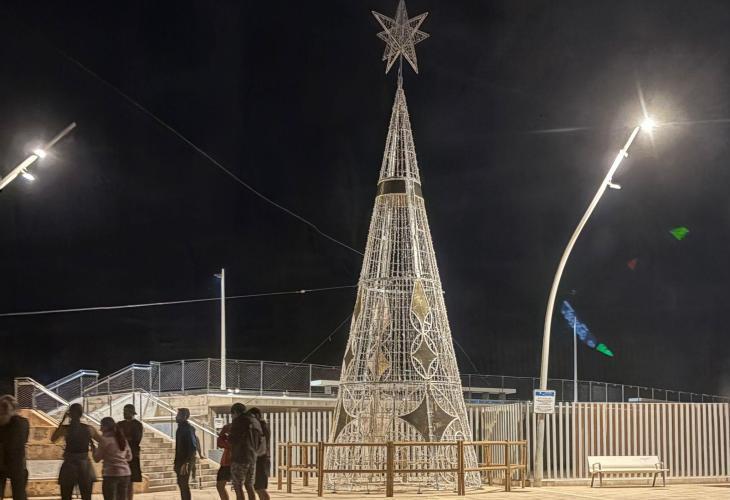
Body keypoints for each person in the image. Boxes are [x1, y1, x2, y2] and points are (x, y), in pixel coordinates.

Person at [51, 403, 101, 500]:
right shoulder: (89, 429)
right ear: (81, 414)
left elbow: (53, 439)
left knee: (66, 496)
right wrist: (94, 449)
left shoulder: (65, 429)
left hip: (69, 464)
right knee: (86, 496)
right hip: (84, 465)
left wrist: (62, 420)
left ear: (70, 414)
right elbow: (101, 441)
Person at [228, 404, 262, 500]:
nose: (232, 417)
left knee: (238, 486)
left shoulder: (238, 421)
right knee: (249, 485)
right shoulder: (255, 421)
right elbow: (260, 440)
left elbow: (232, 439)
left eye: (232, 414)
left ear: (235, 412)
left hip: (240, 457)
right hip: (252, 457)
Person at [93, 417, 131, 500]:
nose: (100, 429)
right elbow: (129, 457)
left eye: (101, 426)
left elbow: (97, 459)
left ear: (106, 427)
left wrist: (93, 449)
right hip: (125, 474)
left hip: (110, 474)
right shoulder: (123, 439)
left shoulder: (104, 440)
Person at [0, 395, 29, 500]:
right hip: (5, 464)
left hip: (17, 465)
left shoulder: (20, 423)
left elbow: (17, 442)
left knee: (19, 495)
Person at [173, 409, 203, 500]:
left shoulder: (188, 429)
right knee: (181, 484)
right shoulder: (181, 428)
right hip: (180, 460)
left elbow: (192, 446)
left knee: (183, 484)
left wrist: (185, 463)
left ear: (184, 416)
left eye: (178, 415)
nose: (176, 417)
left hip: (185, 461)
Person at [116, 404, 143, 500]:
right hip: (120, 455)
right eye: (124, 411)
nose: (124, 413)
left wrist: (124, 439)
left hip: (133, 454)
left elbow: (136, 439)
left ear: (132, 413)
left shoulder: (137, 425)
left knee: (130, 480)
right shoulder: (119, 424)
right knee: (120, 479)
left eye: (126, 412)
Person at [247, 409, 270, 500]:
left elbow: (261, 446)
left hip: (260, 459)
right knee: (258, 488)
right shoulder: (262, 426)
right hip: (261, 458)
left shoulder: (260, 427)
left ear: (256, 415)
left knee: (260, 488)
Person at [215, 420, 232, 500]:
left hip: (228, 463)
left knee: (220, 485)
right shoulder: (228, 438)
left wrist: (222, 433)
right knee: (220, 485)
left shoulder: (233, 438)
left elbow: (220, 443)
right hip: (227, 462)